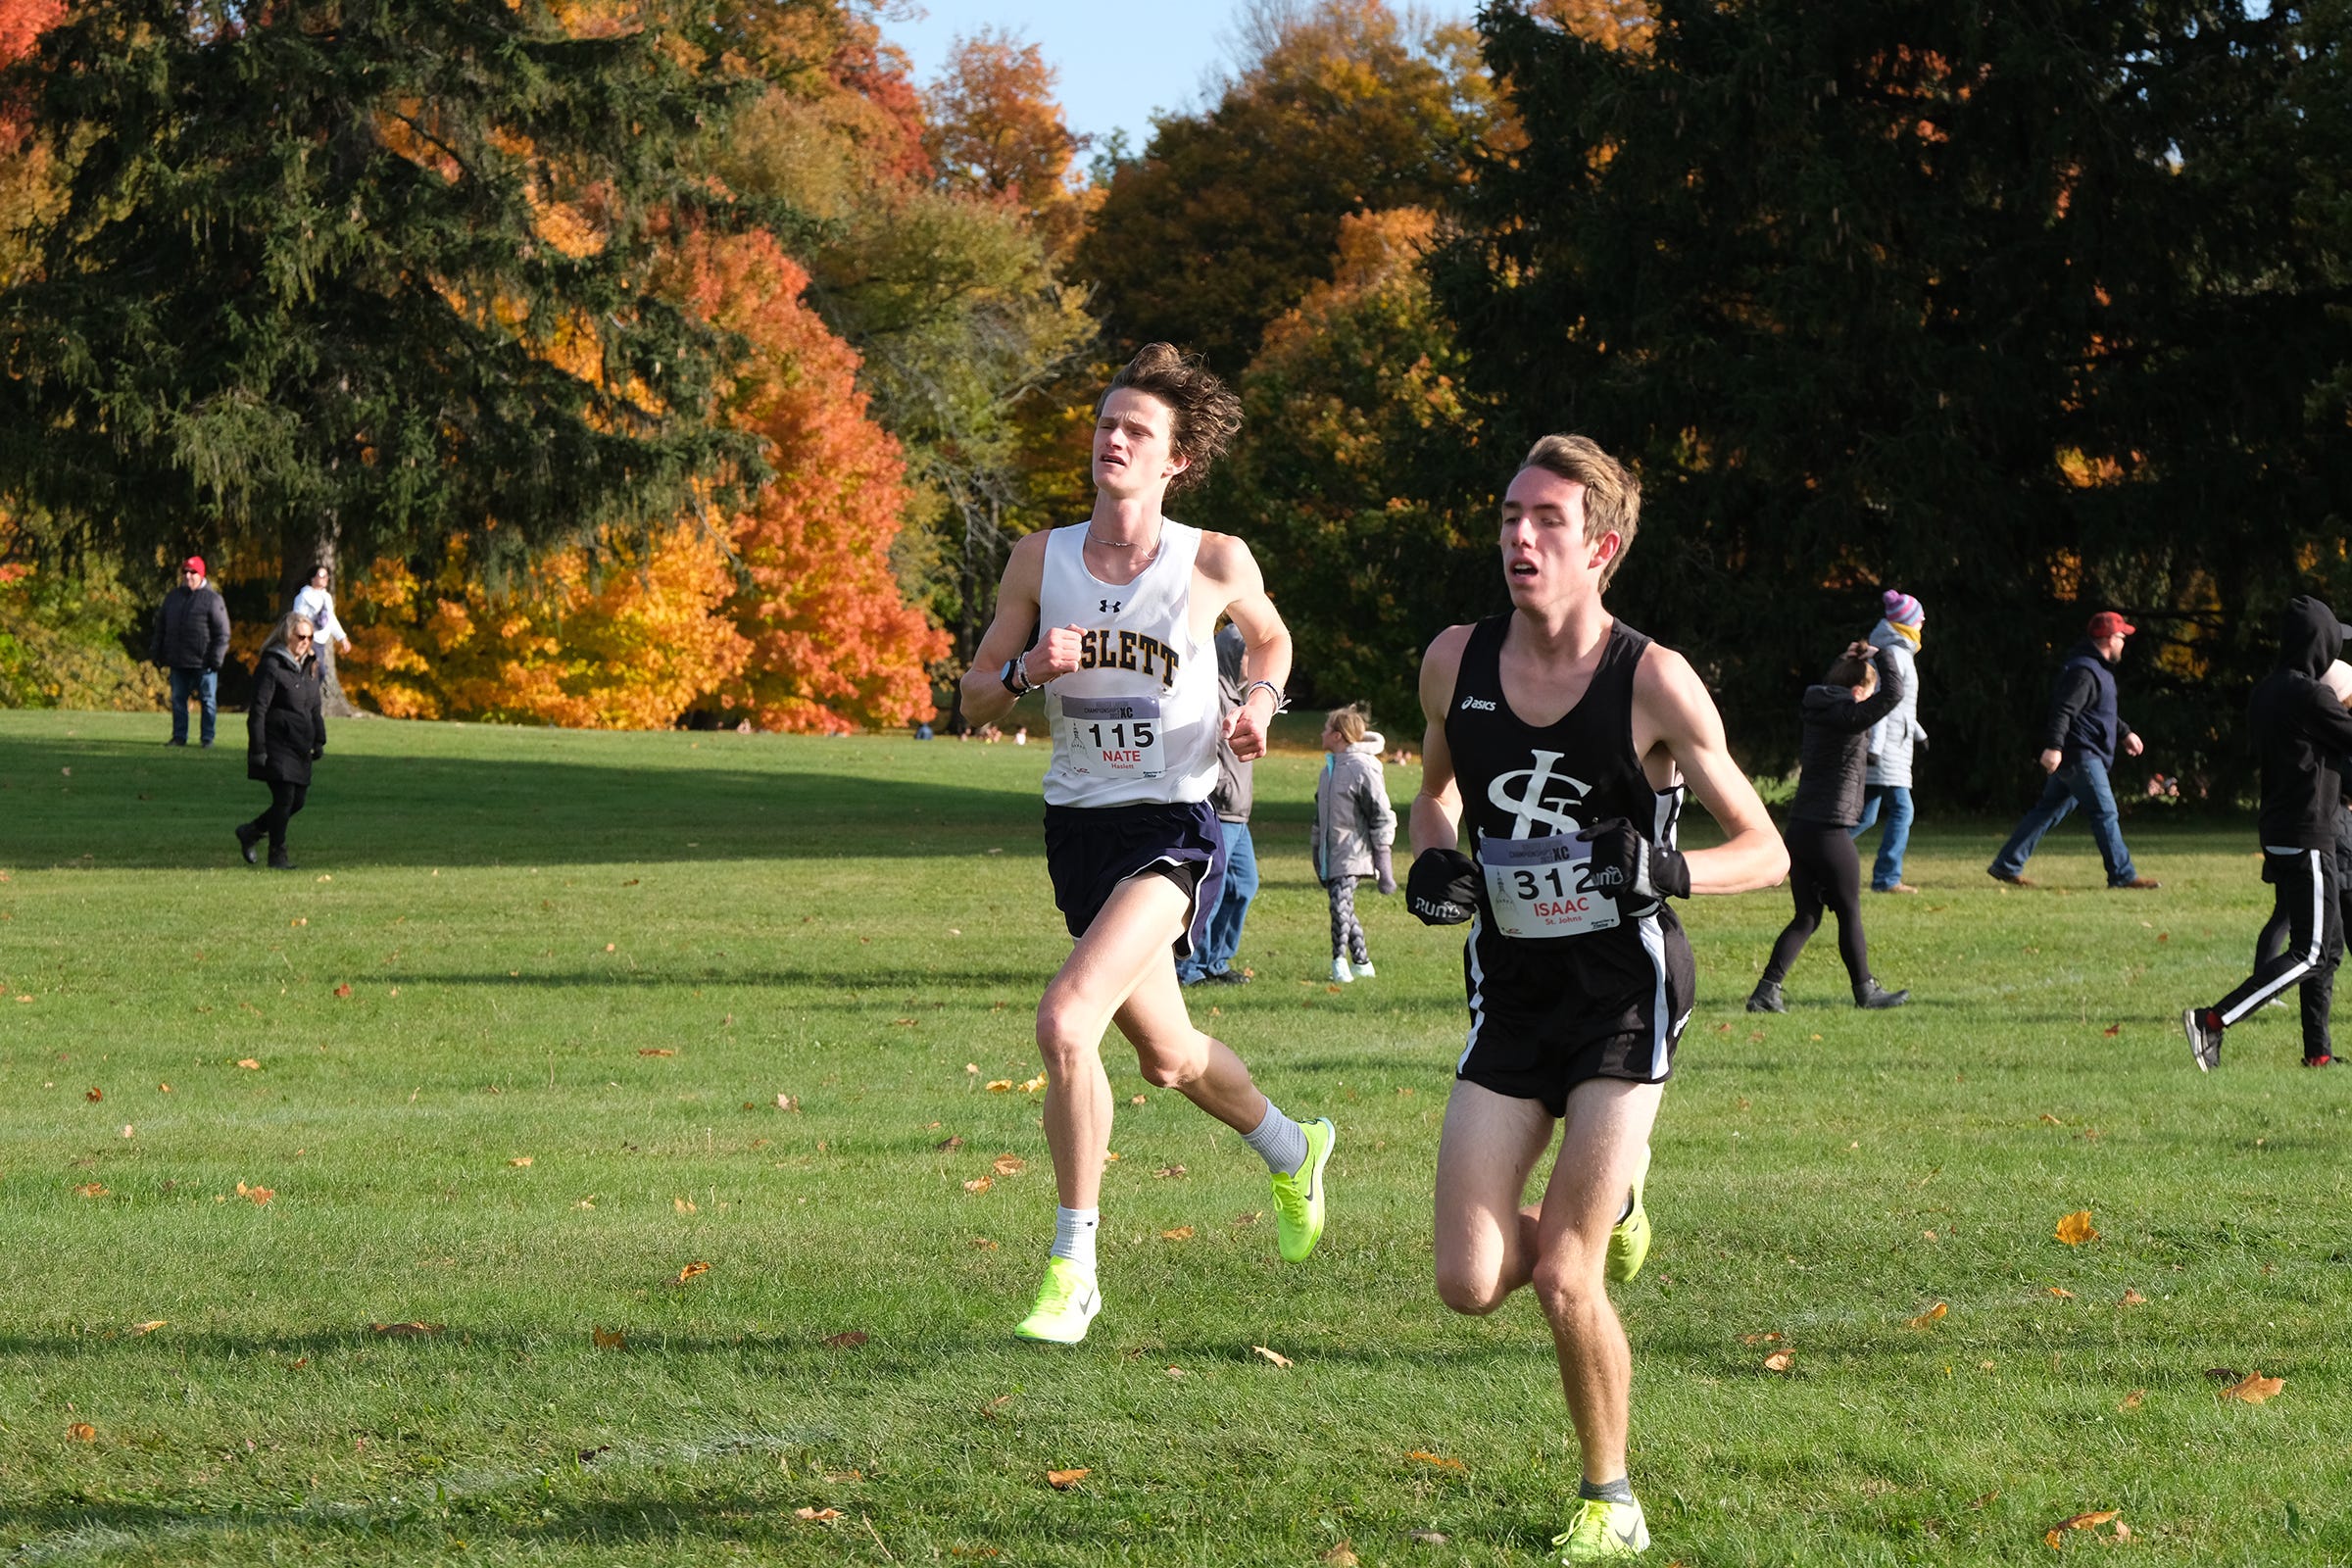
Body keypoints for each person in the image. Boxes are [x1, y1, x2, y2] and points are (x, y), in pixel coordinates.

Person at [1404, 434, 1787, 1563]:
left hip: (1626, 992)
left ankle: (1610, 1496)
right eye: (1510, 514)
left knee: (1566, 1274)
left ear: (1600, 547)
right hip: (1513, 993)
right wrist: (1429, 858)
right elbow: (1428, 795)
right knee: (1469, 1281)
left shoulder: (1653, 678)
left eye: (1547, 521)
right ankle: (1612, 1206)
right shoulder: (1454, 660)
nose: (1519, 536)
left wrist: (1665, 870)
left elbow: (1763, 847)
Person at [956, 342, 1334, 1348]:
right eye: (1106, 423)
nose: (1113, 439)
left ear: (1175, 462)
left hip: (1176, 823)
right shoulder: (1042, 559)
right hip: (1079, 828)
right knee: (1168, 1058)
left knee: (1068, 1020)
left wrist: (1256, 703)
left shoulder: (1211, 558)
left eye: (1137, 430)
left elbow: (1272, 639)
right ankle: (1294, 1148)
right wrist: (1031, 668)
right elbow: (972, 696)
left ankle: (1071, 1268)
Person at [2183, 599, 2352, 1071]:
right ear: (2320, 643)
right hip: (2308, 832)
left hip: (2280, 830)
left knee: (2327, 948)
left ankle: (2317, 1053)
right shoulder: (2311, 697)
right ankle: (2211, 1021)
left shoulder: (2267, 691)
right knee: (2311, 951)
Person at [1747, 640, 1912, 1012]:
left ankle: (1765, 991)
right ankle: (1865, 991)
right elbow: (1894, 694)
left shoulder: (1820, 707)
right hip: (1829, 831)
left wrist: (1852, 658)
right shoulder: (1847, 714)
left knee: (1807, 916)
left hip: (1801, 831)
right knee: (1849, 911)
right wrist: (1881, 653)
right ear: (1857, 691)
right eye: (1867, 692)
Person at [1987, 611, 2160, 889]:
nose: (2123, 643)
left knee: (2047, 810)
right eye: (2120, 637)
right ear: (2107, 639)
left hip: (2080, 754)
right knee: (2105, 813)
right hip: (2082, 755)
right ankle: (2123, 876)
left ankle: (2006, 864)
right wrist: (2054, 747)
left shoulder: (2095, 669)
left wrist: (2124, 732)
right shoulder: (2084, 671)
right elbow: (2064, 710)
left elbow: (2097, 712)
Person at [1177, 622, 1262, 988]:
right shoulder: (1208, 689)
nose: (1252, 663)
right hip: (1219, 808)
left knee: (1244, 884)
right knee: (1209, 890)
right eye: (1248, 655)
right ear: (1231, 653)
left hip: (1239, 815)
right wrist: (1222, 788)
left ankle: (1216, 962)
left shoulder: (1240, 695)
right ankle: (1188, 968)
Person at [235, 612, 326, 871]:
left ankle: (251, 831)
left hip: (300, 744)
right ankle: (278, 854)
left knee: (297, 801)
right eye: (301, 636)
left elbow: (314, 707)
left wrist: (319, 739)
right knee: (285, 797)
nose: (305, 642)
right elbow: (259, 710)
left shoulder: (310, 666)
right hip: (276, 741)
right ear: (288, 635)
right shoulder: (272, 665)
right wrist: (258, 749)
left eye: (309, 637)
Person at [1312, 704, 1396, 983]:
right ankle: (1363, 962)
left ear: (1337, 735)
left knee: (1338, 907)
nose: (1322, 733)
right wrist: (1316, 852)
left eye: (1327, 728)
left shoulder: (1362, 768)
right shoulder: (1328, 771)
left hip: (1353, 853)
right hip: (1332, 854)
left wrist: (1383, 861)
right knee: (1345, 908)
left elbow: (1381, 814)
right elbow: (1319, 816)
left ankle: (1339, 963)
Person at [1850, 590, 1927, 893]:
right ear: (1908, 623)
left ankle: (1806, 855)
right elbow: (1881, 704)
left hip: (1895, 746)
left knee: (1866, 816)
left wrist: (1919, 733)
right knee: (1902, 811)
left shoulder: (1899, 652)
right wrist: (1875, 748)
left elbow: (1902, 708)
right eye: (1919, 618)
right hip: (1886, 750)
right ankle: (1886, 878)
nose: (1923, 622)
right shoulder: (1894, 654)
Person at [148, 556, 231, 747]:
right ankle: (179, 737)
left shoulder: (213, 599)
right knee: (178, 701)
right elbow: (161, 627)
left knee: (208, 701)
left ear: (201, 574)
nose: (188, 576)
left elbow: (223, 633)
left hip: (204, 662)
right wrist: (156, 650)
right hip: (178, 661)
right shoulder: (173, 597)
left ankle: (207, 739)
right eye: (185, 572)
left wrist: (216, 658)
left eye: (192, 572)